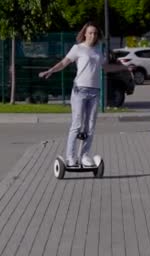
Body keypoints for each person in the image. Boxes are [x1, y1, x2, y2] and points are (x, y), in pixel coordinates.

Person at [39, 22, 119, 167]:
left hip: (95, 91)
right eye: (90, 33)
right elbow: (64, 63)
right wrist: (50, 70)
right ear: (85, 34)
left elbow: (105, 67)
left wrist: (123, 68)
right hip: (80, 91)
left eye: (95, 33)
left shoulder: (98, 50)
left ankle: (84, 156)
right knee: (77, 125)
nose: (93, 35)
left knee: (90, 126)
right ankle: (71, 156)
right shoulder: (78, 48)